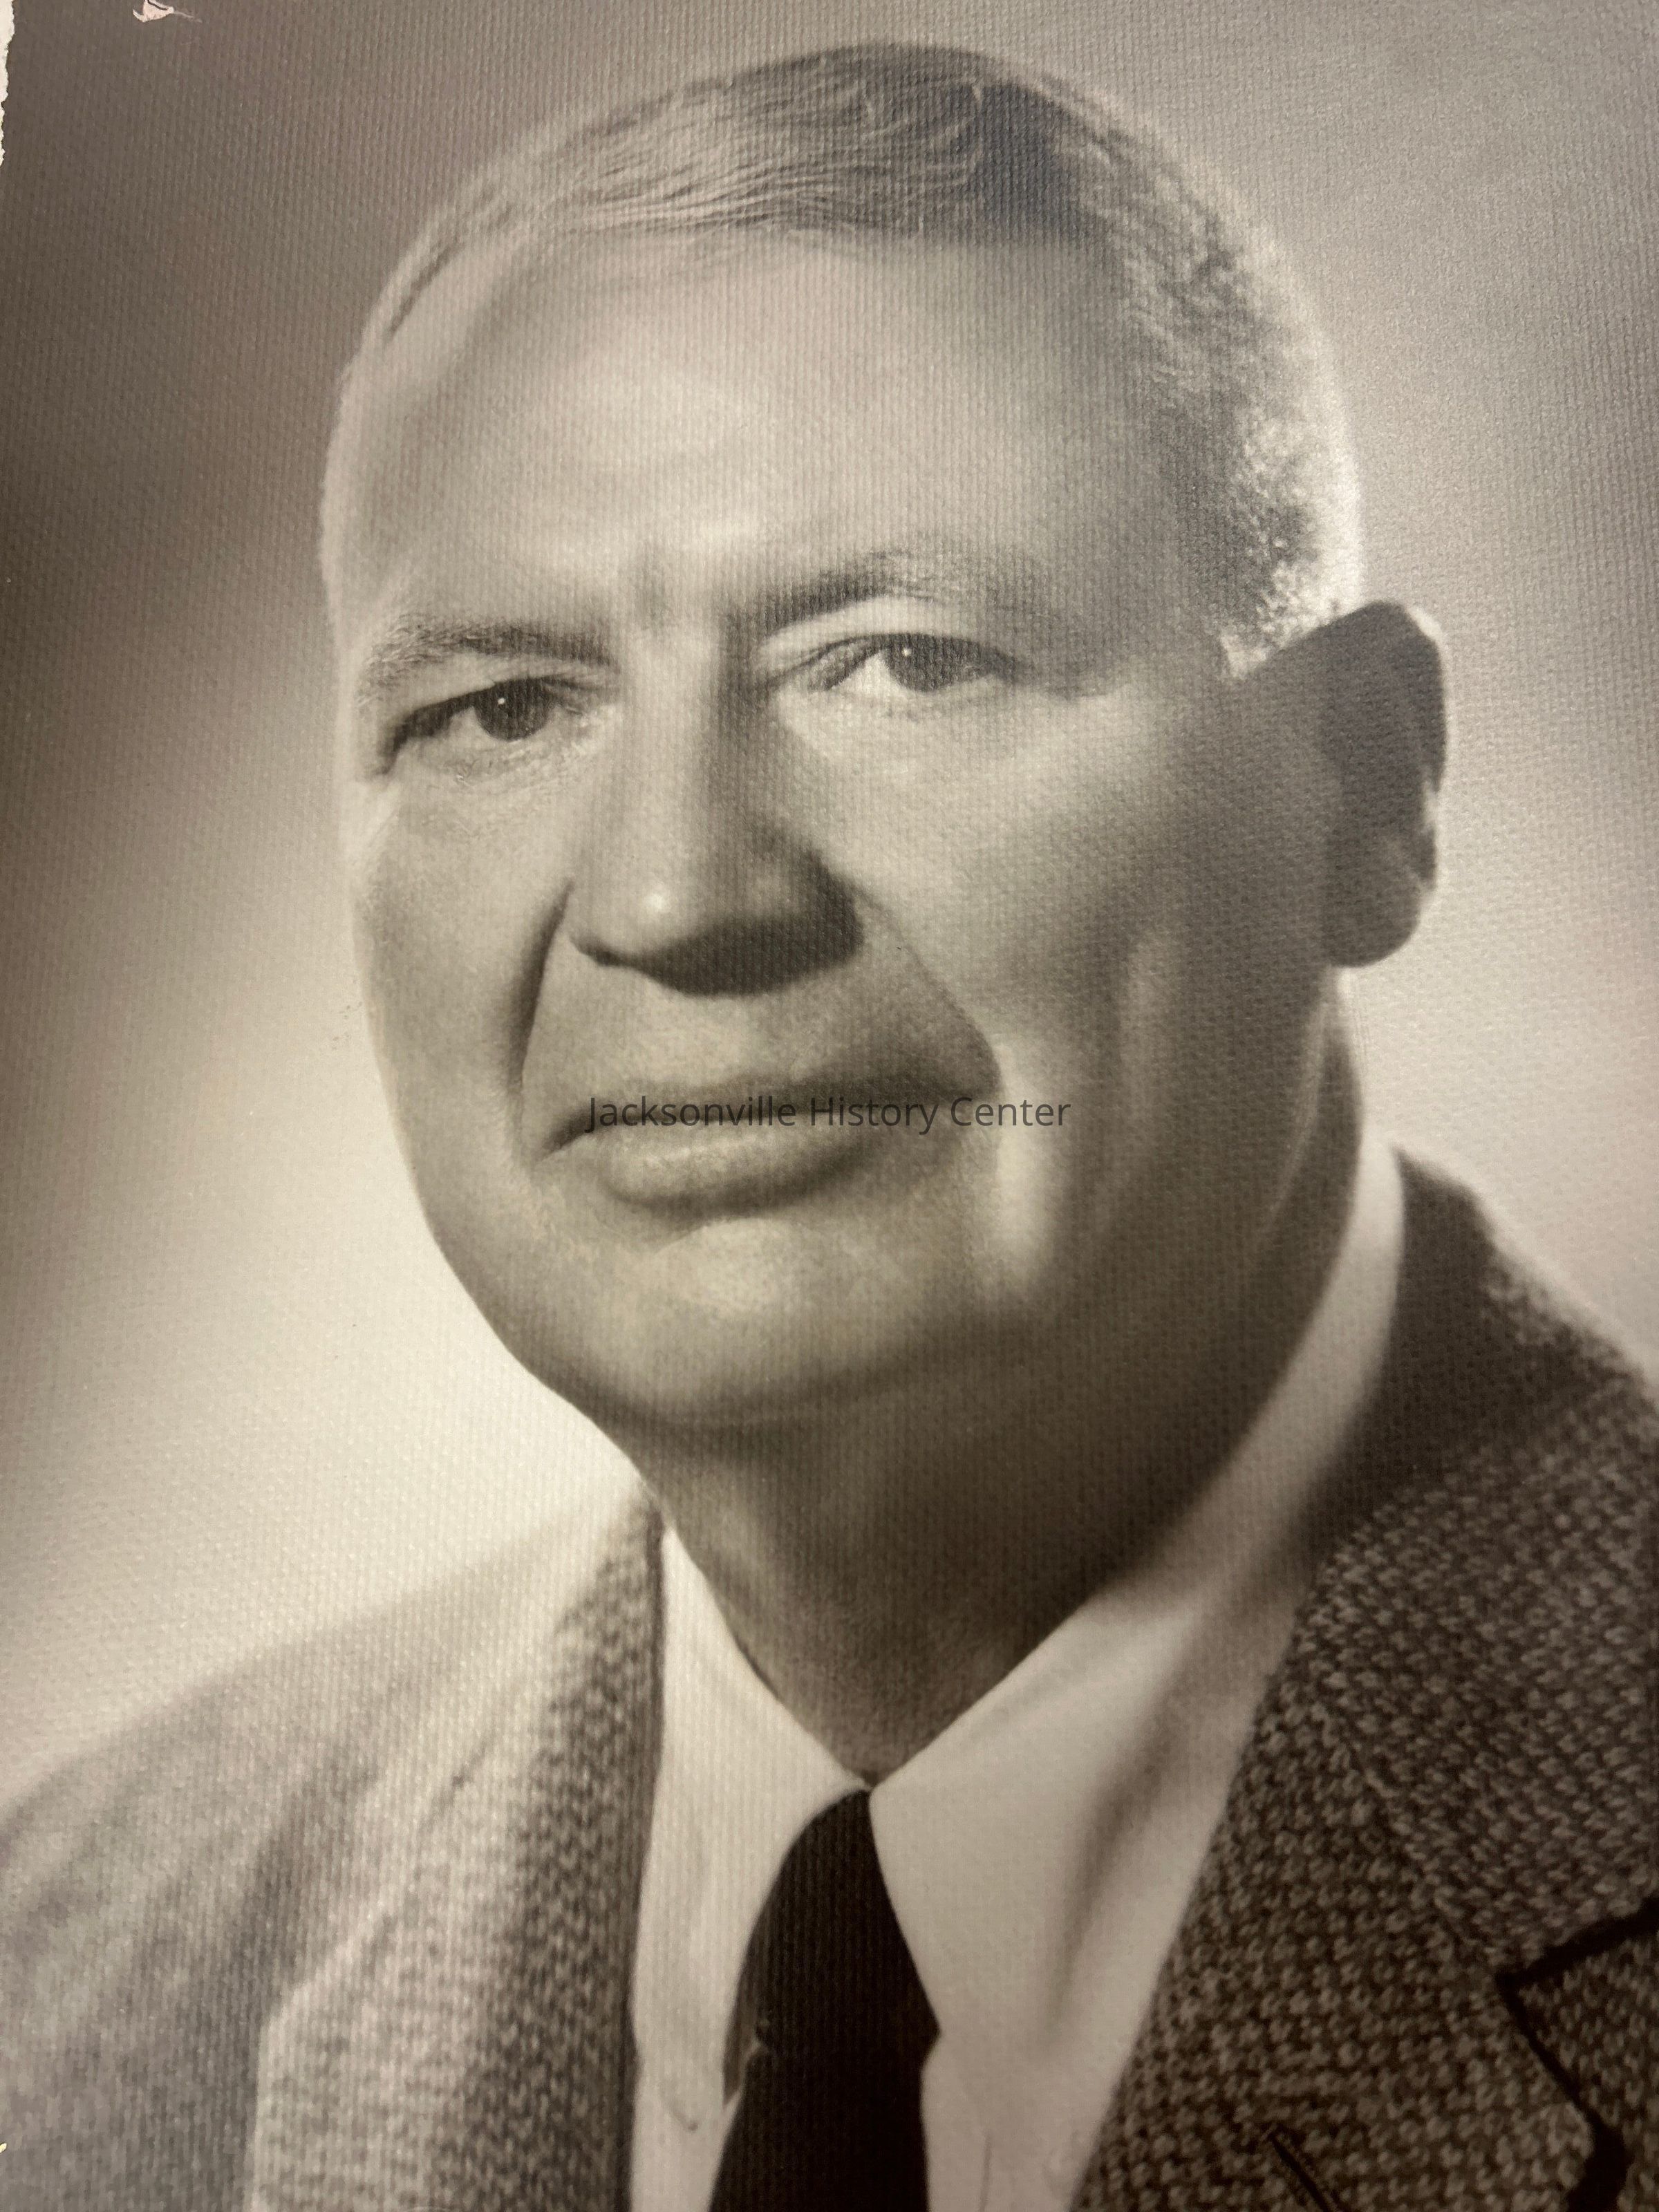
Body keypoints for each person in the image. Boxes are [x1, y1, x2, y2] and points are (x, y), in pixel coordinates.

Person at [3, 42, 1655, 2212]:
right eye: (505, 704)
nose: (680, 894)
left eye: (903, 659)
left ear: (1368, 791)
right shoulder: (70, 1971)